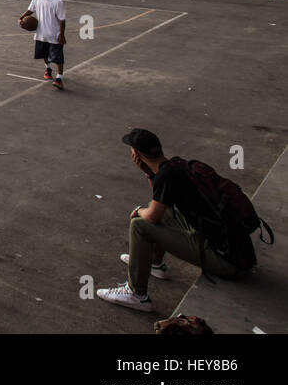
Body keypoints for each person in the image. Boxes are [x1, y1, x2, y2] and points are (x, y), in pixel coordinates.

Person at [95, 129, 240, 313]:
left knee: (139, 224)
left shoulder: (166, 176)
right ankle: (154, 263)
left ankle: (136, 294)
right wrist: (148, 173)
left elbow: (152, 217)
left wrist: (137, 211)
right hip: (231, 248)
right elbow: (160, 205)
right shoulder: (176, 167)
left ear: (136, 154)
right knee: (159, 211)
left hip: (224, 261)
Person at [19, 0, 65, 89]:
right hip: (41, 33)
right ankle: (48, 69)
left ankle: (59, 78)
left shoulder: (57, 2)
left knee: (58, 58)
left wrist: (61, 34)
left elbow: (62, 20)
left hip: (54, 34)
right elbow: (30, 10)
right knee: (44, 54)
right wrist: (21, 18)